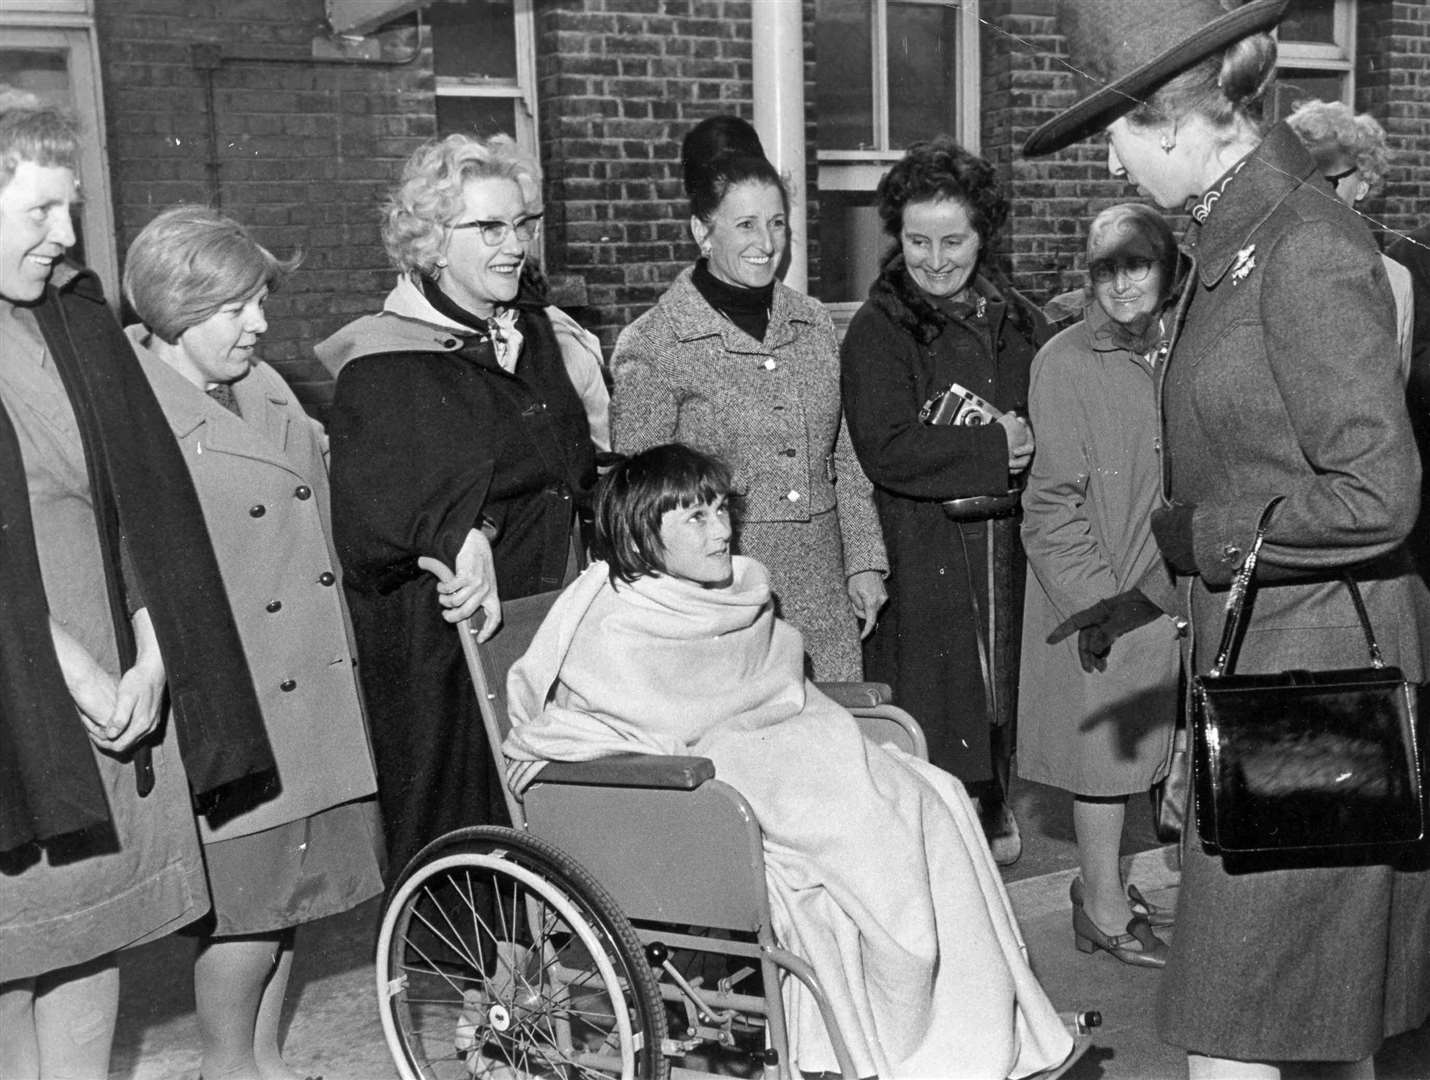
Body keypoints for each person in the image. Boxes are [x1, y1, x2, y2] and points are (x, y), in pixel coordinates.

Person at [1023, 0, 1430, 1076]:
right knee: (1295, 1028)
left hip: (1312, 699)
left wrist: (1204, 538)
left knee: (1237, 1029)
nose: (1107, 162)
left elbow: (1376, 495)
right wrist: (1152, 589)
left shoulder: (1299, 246)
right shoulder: (1231, 240)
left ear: (1179, 124)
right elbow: (1257, 464)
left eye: (1112, 132)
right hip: (1264, 671)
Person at [502, 442, 1078, 1080]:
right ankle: (906, 1041)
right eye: (695, 518)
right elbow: (640, 723)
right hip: (711, 798)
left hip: (784, 754)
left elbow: (778, 692)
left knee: (935, 791)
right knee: (873, 842)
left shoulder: (741, 592)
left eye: (721, 509)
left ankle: (963, 1024)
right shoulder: (616, 625)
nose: (722, 530)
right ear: (641, 535)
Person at [0, 93, 273, 1078]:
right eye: (40, 212)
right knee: (13, 947)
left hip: (116, 678)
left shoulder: (73, 315)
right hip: (21, 693)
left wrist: (157, 646)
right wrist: (68, 668)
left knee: (93, 927)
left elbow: (144, 499)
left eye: (69, 208)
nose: (67, 235)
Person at [123, 205, 384, 1080]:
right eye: (236, 308)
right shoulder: (137, 415)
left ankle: (265, 1063)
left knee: (294, 905)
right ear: (175, 309)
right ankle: (227, 1067)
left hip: (310, 690)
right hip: (235, 703)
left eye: (260, 302)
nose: (260, 324)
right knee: (245, 915)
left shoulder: (265, 387)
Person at [316, 133, 596, 880]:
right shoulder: (383, 364)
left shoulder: (531, 334)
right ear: (433, 243)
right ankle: (476, 986)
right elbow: (371, 518)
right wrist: (460, 528)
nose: (515, 246)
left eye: (523, 225)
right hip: (447, 648)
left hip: (546, 612)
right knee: (476, 827)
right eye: (490, 229)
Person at [610, 114, 887, 681]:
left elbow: (847, 460)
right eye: (745, 225)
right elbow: (641, 506)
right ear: (701, 231)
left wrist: (864, 562)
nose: (767, 244)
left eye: (778, 224)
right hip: (719, 598)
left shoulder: (810, 322)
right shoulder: (655, 343)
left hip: (824, 593)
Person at [840, 135, 1050, 864]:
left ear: (983, 234)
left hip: (1008, 550)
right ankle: (947, 835)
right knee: (938, 704)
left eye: (953, 241)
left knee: (1000, 700)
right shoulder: (877, 329)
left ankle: (991, 805)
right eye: (918, 240)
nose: (934, 260)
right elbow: (887, 448)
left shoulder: (1020, 320)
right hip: (924, 548)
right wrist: (999, 450)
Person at [1018, 204, 1184, 969]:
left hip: (1171, 579)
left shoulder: (1184, 345)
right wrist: (1097, 606)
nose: (1122, 285)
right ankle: (1101, 900)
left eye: (1138, 264)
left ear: (1167, 267)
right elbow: (1051, 502)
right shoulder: (1063, 360)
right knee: (1103, 761)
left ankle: (1116, 884)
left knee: (1157, 746)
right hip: (1099, 591)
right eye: (1106, 268)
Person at [1285, 99, 1414, 379]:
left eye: (1327, 181)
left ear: (1363, 185)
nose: (1311, 193)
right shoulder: (1257, 262)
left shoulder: (1395, 280)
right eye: (1299, 179)